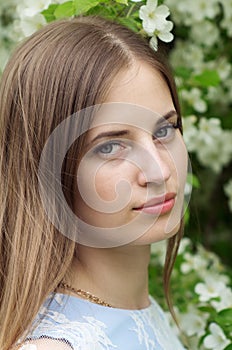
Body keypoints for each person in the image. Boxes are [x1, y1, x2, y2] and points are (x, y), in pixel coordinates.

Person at [0, 15, 188, 350]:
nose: (160, 171)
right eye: (111, 147)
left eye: (164, 130)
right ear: (48, 171)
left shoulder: (140, 311)